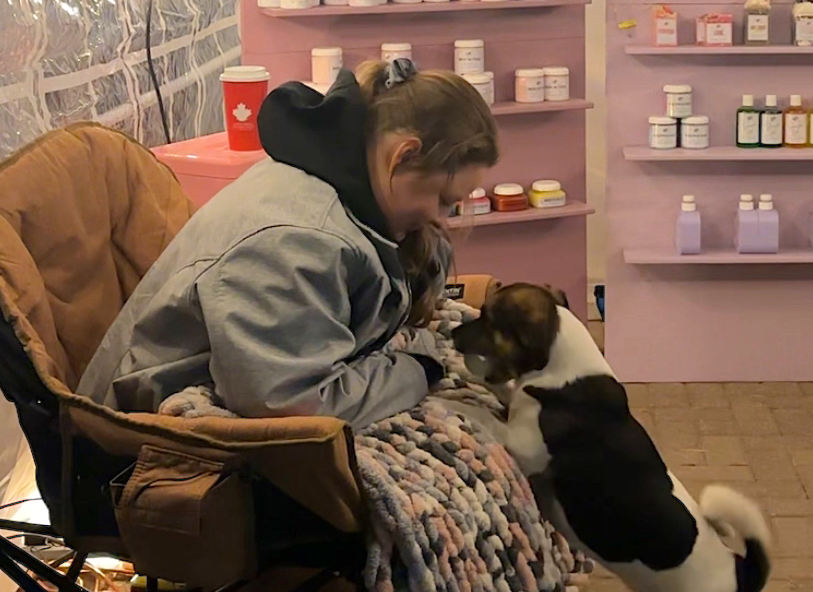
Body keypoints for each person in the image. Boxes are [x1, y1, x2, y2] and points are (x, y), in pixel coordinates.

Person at [80, 57, 499, 428]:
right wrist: (418, 368)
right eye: (443, 200)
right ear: (405, 155)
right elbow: (293, 406)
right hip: (141, 446)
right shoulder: (295, 241)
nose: (438, 218)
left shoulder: (334, 180)